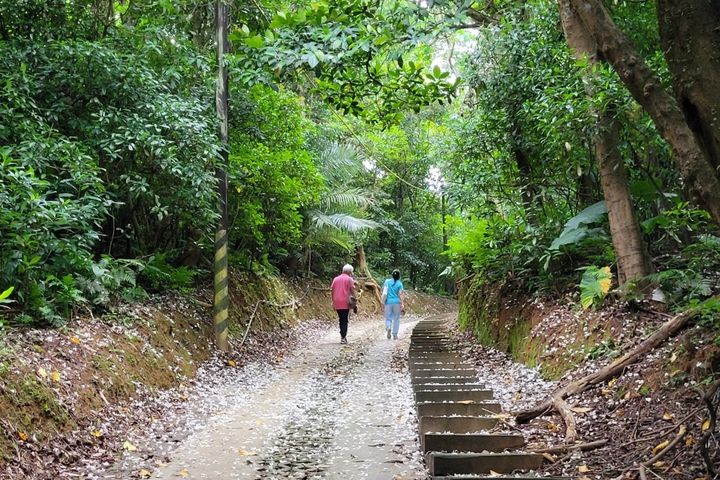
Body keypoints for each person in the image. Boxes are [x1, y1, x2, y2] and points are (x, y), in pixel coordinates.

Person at [331, 264, 356, 344]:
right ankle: (343, 337)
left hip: (337, 301)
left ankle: (342, 335)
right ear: (350, 272)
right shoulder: (349, 279)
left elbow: (332, 291)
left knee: (341, 319)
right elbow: (352, 291)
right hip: (345, 302)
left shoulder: (335, 279)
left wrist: (333, 301)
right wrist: (355, 300)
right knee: (344, 320)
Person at [382, 269, 405, 340]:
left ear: (392, 275)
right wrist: (402, 303)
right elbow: (401, 294)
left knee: (388, 318)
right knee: (396, 319)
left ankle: (388, 327)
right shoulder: (399, 284)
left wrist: (382, 302)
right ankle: (395, 334)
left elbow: (384, 292)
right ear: (399, 276)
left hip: (388, 302)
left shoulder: (387, 281)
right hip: (396, 303)